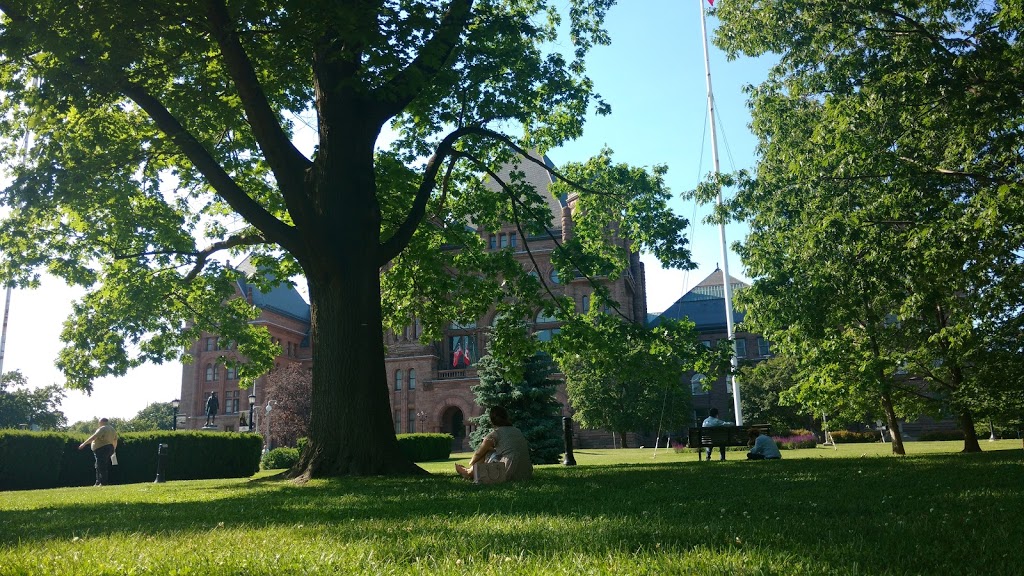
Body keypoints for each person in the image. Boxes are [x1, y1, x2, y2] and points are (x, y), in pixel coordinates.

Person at [455, 406, 532, 483]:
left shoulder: (495, 434)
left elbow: (479, 453)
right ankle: (470, 471)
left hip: (508, 472)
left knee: (487, 452)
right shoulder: (517, 430)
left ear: (491, 420)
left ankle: (469, 472)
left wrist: (471, 463)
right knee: (491, 450)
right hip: (526, 473)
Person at [78, 418, 118, 486]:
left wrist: (84, 444)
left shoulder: (103, 428)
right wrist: (113, 449)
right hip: (109, 448)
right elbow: (115, 440)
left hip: (102, 449)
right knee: (98, 465)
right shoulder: (112, 429)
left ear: (102, 422)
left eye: (99, 422)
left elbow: (94, 437)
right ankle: (98, 482)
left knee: (101, 466)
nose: (98, 424)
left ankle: (103, 483)